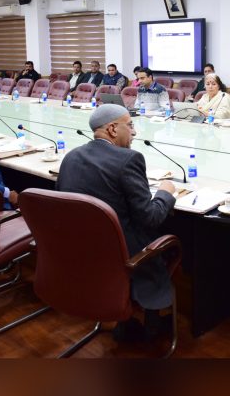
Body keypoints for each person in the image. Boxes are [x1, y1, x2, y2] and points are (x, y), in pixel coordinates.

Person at [56, 104, 177, 339]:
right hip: (124, 255)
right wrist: (165, 192)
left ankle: (125, 314)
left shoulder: (71, 157)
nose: (134, 132)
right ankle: (152, 319)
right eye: (130, 125)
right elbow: (151, 217)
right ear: (112, 129)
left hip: (82, 251)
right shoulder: (129, 159)